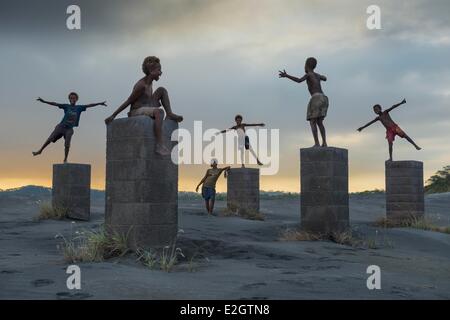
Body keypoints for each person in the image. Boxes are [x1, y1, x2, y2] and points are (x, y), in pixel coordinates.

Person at [104, 56, 183, 155]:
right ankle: (159, 145)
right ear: (151, 71)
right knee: (159, 112)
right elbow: (128, 101)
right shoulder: (141, 85)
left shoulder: (150, 82)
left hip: (147, 105)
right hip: (136, 110)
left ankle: (170, 113)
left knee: (162, 90)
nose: (160, 73)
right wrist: (113, 115)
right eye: (159, 70)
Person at [33, 92, 107, 162]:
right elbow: (55, 104)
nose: (72, 99)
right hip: (61, 126)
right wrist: (44, 101)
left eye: (74, 98)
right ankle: (40, 151)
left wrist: (99, 103)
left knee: (67, 143)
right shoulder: (66, 106)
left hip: (69, 129)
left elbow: (89, 105)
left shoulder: (79, 108)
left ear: (76, 99)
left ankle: (65, 159)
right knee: (50, 138)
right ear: (69, 99)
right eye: (71, 98)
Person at [279, 57, 329, 147]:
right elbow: (325, 78)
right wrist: (321, 76)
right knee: (319, 122)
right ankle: (324, 142)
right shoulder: (317, 75)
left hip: (316, 98)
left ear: (306, 65)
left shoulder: (309, 74)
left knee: (312, 121)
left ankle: (317, 143)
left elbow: (299, 80)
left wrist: (287, 76)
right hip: (324, 98)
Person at [357, 98, 421, 161]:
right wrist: (362, 127)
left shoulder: (385, 112)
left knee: (405, 136)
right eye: (374, 110)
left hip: (395, 127)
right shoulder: (378, 118)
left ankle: (415, 146)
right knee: (390, 144)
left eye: (376, 109)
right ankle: (391, 158)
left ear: (380, 108)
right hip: (389, 131)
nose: (376, 111)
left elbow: (393, 107)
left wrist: (401, 103)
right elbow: (370, 123)